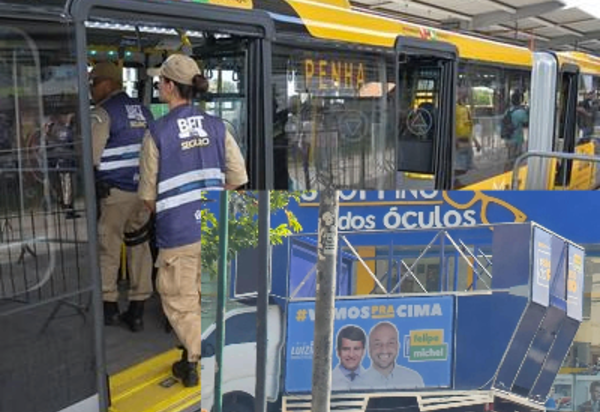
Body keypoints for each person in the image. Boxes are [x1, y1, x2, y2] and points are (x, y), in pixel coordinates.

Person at [138, 54, 248, 387]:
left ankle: (218, 359)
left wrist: (174, 212)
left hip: (179, 236)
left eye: (161, 80)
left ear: (170, 87)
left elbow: (146, 198)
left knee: (181, 304)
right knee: (209, 299)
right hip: (214, 229)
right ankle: (192, 361)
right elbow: (238, 178)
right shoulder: (217, 127)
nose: (158, 84)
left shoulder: (156, 133)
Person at [90, 61, 155, 333]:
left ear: (107, 84)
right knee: (140, 247)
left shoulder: (102, 113)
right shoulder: (145, 111)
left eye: (94, 84)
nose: (92, 90)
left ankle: (110, 309)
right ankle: (138, 311)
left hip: (115, 194)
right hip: (143, 194)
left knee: (108, 247)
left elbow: (92, 156)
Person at [362, 322, 424, 389]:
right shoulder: (357, 384)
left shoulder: (414, 380)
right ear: (369, 348)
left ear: (397, 346)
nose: (384, 350)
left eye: (390, 343)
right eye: (377, 344)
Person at [454, 87, 481, 179]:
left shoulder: (466, 109)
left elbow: (469, 126)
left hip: (466, 141)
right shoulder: (455, 108)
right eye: (463, 94)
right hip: (458, 141)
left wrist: (475, 142)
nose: (465, 97)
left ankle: (458, 183)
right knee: (459, 167)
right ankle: (455, 183)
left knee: (466, 166)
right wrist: (455, 141)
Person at [332, 325, 368, 390]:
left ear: (363, 351)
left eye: (356, 349)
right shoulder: (328, 381)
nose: (351, 355)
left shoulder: (372, 382)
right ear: (338, 352)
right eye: (346, 349)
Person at [503, 91, 529, 172]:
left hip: (508, 138)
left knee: (510, 158)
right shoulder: (521, 112)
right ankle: (507, 175)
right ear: (520, 100)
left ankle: (508, 174)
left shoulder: (508, 111)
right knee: (514, 159)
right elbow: (526, 123)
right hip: (516, 138)